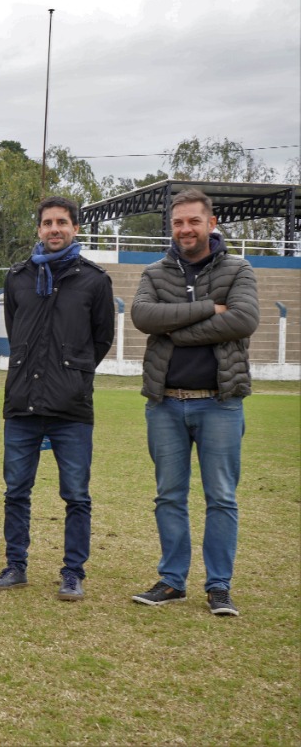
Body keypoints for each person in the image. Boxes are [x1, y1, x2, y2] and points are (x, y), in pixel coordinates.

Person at [129, 188, 259, 617]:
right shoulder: (155, 271)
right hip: (165, 403)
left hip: (220, 404)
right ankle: (172, 581)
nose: (185, 229)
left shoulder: (239, 269)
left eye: (193, 221)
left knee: (221, 496)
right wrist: (208, 310)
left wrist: (176, 329)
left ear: (212, 223)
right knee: (169, 496)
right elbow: (144, 318)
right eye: (178, 222)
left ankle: (219, 586)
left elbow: (243, 319)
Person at [0, 197, 114, 601]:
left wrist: (72, 375)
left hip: (71, 408)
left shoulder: (94, 280)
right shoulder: (20, 276)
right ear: (38, 228)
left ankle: (73, 572)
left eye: (62, 222)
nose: (54, 229)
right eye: (47, 223)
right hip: (23, 402)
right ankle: (15, 565)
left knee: (76, 494)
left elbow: (101, 339)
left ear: (75, 228)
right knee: (15, 491)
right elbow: (16, 330)